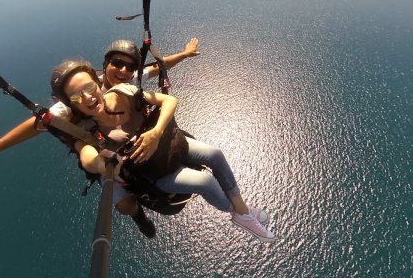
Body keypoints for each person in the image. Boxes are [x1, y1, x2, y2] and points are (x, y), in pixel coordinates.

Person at [0, 38, 200, 238]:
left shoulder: (127, 82)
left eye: (128, 67)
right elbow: (35, 124)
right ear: (105, 66)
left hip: (133, 141)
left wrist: (185, 54)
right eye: (116, 64)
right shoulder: (74, 98)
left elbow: (158, 67)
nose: (123, 71)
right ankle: (140, 217)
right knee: (125, 206)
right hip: (102, 153)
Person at [48, 59, 276, 243]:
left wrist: (156, 133)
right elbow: (87, 156)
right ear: (72, 104)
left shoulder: (123, 93)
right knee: (204, 182)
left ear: (97, 84)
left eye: (89, 87)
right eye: (77, 96)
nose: (87, 97)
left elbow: (169, 100)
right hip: (153, 173)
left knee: (215, 153)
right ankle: (237, 213)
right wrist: (100, 164)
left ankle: (243, 210)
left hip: (168, 145)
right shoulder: (85, 130)